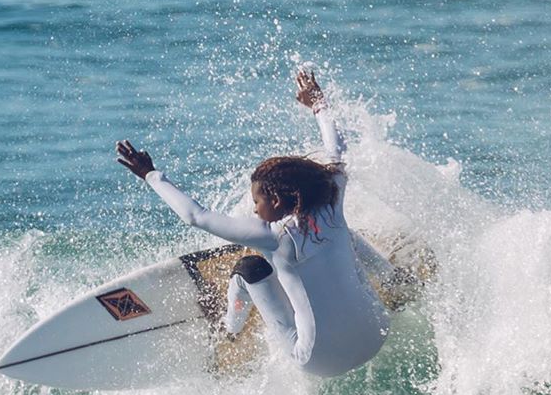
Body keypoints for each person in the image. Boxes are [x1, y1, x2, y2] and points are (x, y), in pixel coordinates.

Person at [115, 70, 392, 378]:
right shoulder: (331, 200)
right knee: (342, 235)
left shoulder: (270, 235)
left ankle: (228, 327)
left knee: (249, 269)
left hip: (319, 361)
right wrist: (318, 103)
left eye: (257, 201)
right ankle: (393, 278)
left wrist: (151, 175)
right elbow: (336, 149)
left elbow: (197, 216)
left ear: (275, 199)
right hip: (377, 333)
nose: (254, 208)